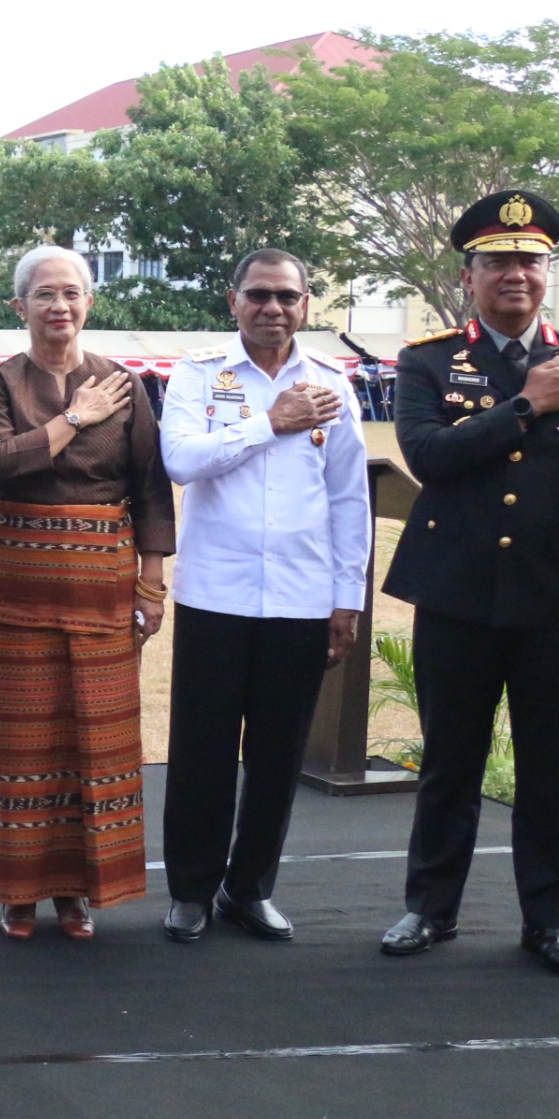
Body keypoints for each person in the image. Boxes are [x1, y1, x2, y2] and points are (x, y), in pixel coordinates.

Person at [379, 191, 559, 977]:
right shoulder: (429, 360)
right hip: (457, 594)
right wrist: (526, 404)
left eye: (529, 261)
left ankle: (549, 920)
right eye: (498, 261)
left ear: (547, 273)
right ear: (469, 276)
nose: (516, 273)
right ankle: (430, 907)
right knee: (451, 759)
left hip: (555, 601)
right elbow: (428, 456)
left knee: (550, 764)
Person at [155, 250, 369, 943]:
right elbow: (180, 460)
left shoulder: (331, 381)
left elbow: (349, 498)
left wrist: (347, 597)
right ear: (233, 301)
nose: (272, 307)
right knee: (203, 750)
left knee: (278, 756)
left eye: (286, 296)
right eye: (258, 294)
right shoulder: (198, 374)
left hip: (302, 598)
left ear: (305, 304)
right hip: (216, 594)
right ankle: (191, 889)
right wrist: (268, 421)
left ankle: (249, 888)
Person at [0, 245, 172, 942]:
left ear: (89, 302)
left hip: (103, 591)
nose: (59, 305)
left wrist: (151, 582)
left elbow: (150, 487)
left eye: (71, 293)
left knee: (98, 737)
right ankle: (18, 892)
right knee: (20, 738)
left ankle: (77, 892)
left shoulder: (125, 383)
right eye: (44, 294)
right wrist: (76, 418)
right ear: (18, 306)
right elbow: (0, 464)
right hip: (15, 590)